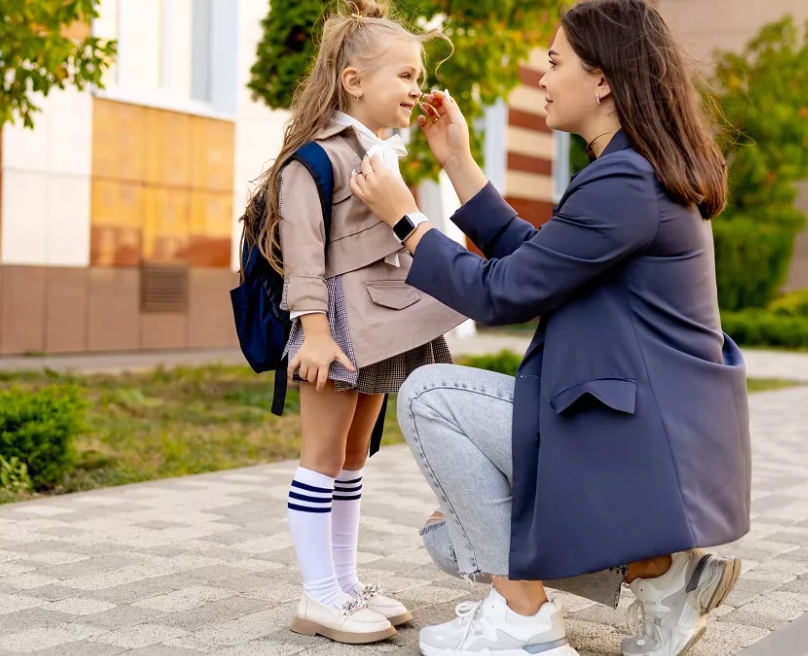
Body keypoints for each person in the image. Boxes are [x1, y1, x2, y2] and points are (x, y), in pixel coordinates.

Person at [348, 1, 750, 655]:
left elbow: (505, 293)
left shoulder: (626, 181)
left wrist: (406, 220)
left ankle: (524, 622)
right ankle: (660, 576)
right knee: (450, 535)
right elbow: (539, 259)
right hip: (646, 444)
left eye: (556, 61)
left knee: (427, 397)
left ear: (603, 79)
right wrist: (457, 162)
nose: (542, 75)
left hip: (637, 448)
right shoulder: (635, 173)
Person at [241, 0, 466, 644]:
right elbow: (306, 259)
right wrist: (313, 332)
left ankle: (344, 584)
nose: (417, 88)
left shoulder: (380, 153)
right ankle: (318, 596)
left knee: (352, 459)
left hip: (380, 325)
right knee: (321, 457)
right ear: (353, 81)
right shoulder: (314, 161)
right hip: (335, 326)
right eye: (406, 75)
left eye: (419, 77)